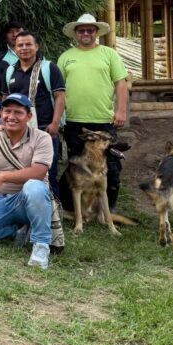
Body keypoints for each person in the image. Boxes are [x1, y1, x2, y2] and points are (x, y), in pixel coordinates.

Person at [0, 94, 54, 270]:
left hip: (27, 200)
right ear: (1, 113)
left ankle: (41, 246)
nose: (11, 116)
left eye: (18, 112)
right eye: (7, 111)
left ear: (29, 116)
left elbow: (39, 172)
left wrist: (2, 176)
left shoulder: (42, 138)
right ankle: (18, 229)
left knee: (34, 186)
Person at [57, 14, 128, 211]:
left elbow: (121, 83)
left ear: (96, 32)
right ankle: (75, 208)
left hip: (103, 120)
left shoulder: (109, 54)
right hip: (74, 121)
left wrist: (121, 111)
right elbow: (58, 90)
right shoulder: (65, 57)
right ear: (75, 33)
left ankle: (108, 209)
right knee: (75, 166)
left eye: (90, 30)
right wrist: (58, 117)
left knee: (111, 165)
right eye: (82, 30)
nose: (86, 33)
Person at [4, 31, 65, 197]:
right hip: (19, 130)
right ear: (15, 49)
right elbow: (5, 99)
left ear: (36, 47)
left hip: (45, 128)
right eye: (20, 45)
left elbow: (59, 97)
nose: (24, 48)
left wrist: (55, 123)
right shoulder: (10, 70)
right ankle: (25, 205)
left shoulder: (49, 68)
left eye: (28, 44)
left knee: (49, 171)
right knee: (21, 169)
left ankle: (53, 207)